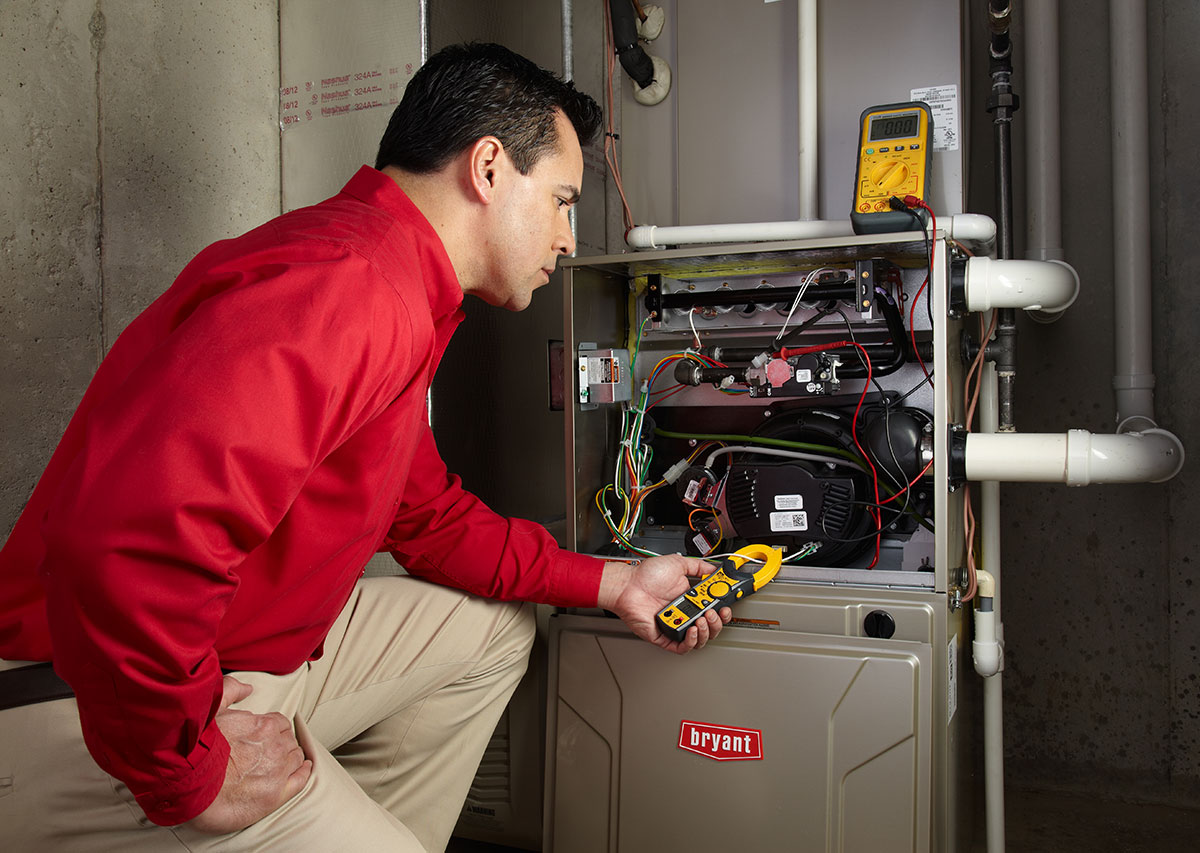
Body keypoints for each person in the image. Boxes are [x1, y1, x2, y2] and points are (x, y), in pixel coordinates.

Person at [0, 42, 730, 852]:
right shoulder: (348, 289)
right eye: (562, 201)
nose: (566, 238)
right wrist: (188, 774)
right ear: (488, 168)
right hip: (89, 709)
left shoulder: (388, 281)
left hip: (235, 656)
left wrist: (615, 582)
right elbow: (126, 545)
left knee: (493, 631)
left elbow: (429, 520)